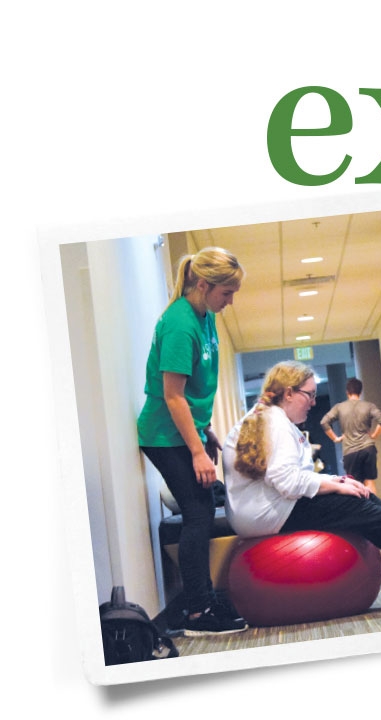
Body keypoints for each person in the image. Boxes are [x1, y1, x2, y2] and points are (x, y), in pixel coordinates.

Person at [222, 361, 381, 581]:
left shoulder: (270, 418)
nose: (313, 402)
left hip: (262, 510)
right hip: (264, 514)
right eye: (309, 395)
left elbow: (290, 478)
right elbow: (288, 482)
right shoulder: (275, 424)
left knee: (357, 491)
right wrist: (336, 486)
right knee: (351, 501)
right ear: (289, 393)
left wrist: (337, 480)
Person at [137, 246, 247, 636]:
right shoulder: (181, 323)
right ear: (203, 284)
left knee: (202, 506)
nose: (230, 302)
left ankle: (201, 599)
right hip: (164, 436)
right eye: (226, 293)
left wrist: (206, 430)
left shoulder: (205, 316)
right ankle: (197, 611)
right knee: (199, 512)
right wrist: (197, 451)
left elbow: (197, 389)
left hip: (185, 432)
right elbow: (172, 395)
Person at [320, 377, 381, 494]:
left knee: (354, 484)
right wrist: (374, 436)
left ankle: (361, 512)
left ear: (347, 392)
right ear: (360, 392)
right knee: (370, 481)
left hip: (350, 451)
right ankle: (374, 509)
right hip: (368, 448)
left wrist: (336, 438)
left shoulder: (339, 407)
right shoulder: (369, 406)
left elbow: (324, 422)